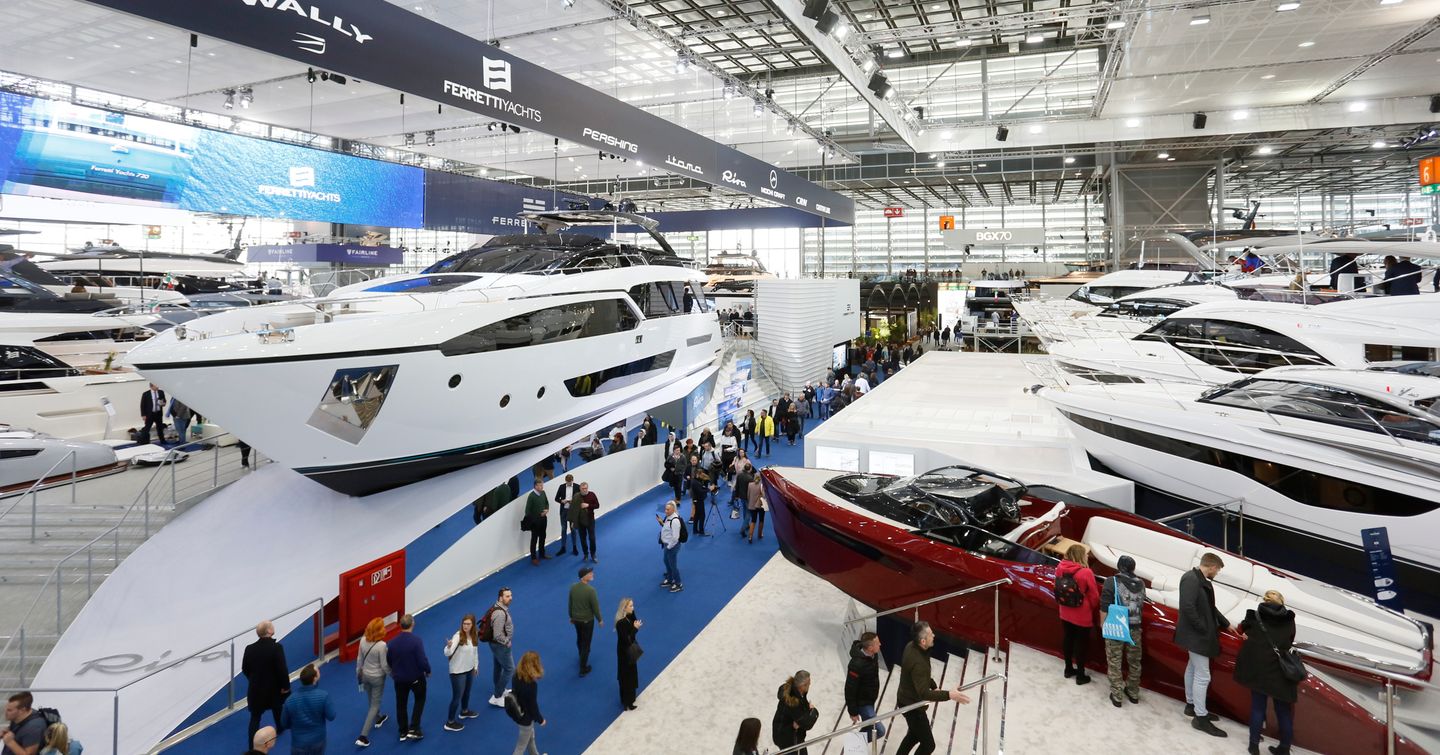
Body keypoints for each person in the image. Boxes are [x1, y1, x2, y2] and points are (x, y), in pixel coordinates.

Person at [1236, 591, 1299, 755]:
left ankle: (1254, 746)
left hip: (1259, 670)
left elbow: (1243, 630)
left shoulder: (1255, 616)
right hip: (1280, 671)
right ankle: (1284, 748)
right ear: (1282, 602)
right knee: (1283, 711)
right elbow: (1289, 640)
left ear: (1265, 600)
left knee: (1258, 708)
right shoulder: (1289, 620)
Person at [1176, 552, 1230, 738]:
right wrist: (1204, 628)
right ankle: (1200, 716)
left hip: (1196, 635)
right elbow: (1188, 607)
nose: (1217, 573)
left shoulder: (1199, 579)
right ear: (1212, 567)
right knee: (1203, 675)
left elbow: (1210, 607)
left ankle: (1191, 705)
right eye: (1218, 570)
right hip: (1197, 636)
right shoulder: (1191, 579)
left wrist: (1225, 623)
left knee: (1193, 668)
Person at [896, 622, 970, 755]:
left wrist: (934, 686)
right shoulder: (918, 662)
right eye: (931, 634)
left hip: (905, 699)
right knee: (928, 745)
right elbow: (924, 693)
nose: (934, 635)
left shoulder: (912, 646)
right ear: (923, 641)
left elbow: (919, 677)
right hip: (912, 706)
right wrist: (949, 695)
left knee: (913, 735)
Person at [1100, 554, 1146, 707]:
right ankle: (1133, 692)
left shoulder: (1111, 581)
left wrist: (1103, 625)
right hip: (1136, 628)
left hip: (1117, 627)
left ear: (1119, 567)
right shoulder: (1141, 584)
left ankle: (1117, 695)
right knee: (1134, 662)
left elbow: (1104, 606)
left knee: (1115, 661)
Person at [241, 620, 289, 749]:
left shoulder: (249, 648)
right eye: (271, 625)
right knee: (277, 708)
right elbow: (282, 670)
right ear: (269, 631)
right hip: (273, 690)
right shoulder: (277, 648)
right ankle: (279, 727)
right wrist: (286, 686)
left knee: (255, 718)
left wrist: (253, 680)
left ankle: (252, 746)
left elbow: (245, 668)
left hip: (255, 690)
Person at [1056, 543, 1099, 685]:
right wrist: (1091, 608)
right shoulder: (1086, 572)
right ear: (1080, 556)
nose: (1087, 556)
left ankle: (1068, 669)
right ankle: (1081, 675)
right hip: (1082, 614)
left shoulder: (1060, 567)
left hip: (1064, 610)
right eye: (1086, 554)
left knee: (1068, 638)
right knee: (1081, 644)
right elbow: (1094, 596)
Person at [388, 613, 431, 741]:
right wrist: (427, 670)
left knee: (401, 704)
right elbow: (422, 660)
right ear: (413, 624)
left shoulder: (392, 643)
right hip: (416, 678)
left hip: (399, 679)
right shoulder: (416, 641)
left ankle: (403, 731)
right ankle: (414, 728)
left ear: (401, 625)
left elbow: (389, 660)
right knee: (420, 699)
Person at [280, 664, 335, 755]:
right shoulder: (323, 696)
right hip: (318, 741)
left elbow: (284, 723)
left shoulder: (290, 700)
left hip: (298, 744)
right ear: (315, 678)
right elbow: (331, 716)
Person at [354, 617, 390, 747]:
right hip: (377, 678)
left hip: (365, 675)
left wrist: (358, 673)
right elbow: (384, 665)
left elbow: (359, 659)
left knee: (371, 700)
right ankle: (363, 736)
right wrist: (393, 675)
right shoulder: (382, 646)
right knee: (375, 704)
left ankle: (378, 717)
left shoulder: (363, 640)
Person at [443, 614, 480, 732]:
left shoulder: (474, 635)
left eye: (468, 624)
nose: (466, 626)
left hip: (469, 669)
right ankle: (450, 722)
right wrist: (448, 647)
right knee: (457, 697)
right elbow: (447, 653)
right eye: (464, 623)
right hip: (457, 671)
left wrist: (475, 666)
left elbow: (475, 652)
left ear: (473, 625)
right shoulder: (458, 636)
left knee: (467, 692)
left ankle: (464, 711)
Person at [845, 632, 885, 741]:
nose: (880, 644)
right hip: (863, 704)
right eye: (877, 643)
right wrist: (852, 711)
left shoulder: (873, 655)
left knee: (868, 727)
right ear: (870, 647)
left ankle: (856, 748)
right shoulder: (856, 665)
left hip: (870, 699)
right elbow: (850, 688)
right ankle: (853, 745)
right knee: (879, 730)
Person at [771, 671, 819, 754]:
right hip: (787, 738)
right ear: (802, 686)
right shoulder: (793, 703)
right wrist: (813, 711)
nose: (810, 684)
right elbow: (807, 723)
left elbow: (801, 718)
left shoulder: (796, 691)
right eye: (808, 683)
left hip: (787, 733)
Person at [569, 566, 604, 676]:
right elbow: (595, 607)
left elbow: (570, 604)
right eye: (590, 573)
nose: (592, 574)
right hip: (587, 621)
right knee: (586, 644)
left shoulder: (573, 587)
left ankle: (581, 656)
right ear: (584, 577)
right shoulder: (591, 591)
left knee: (579, 638)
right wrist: (600, 620)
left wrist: (571, 617)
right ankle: (583, 668)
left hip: (576, 620)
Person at [510, 651, 546, 755]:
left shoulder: (516, 675)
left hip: (518, 713)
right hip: (526, 719)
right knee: (520, 747)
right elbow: (532, 706)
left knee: (530, 739)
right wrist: (540, 719)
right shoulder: (531, 685)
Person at [486, 587, 516, 707]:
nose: (510, 598)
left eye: (510, 595)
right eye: (507, 596)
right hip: (501, 646)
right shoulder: (499, 613)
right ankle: (497, 696)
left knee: (498, 666)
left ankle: (500, 689)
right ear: (500, 598)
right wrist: (506, 641)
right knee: (509, 669)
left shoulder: (497, 607)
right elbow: (498, 634)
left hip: (496, 645)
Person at [615, 597, 642, 711]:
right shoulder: (620, 623)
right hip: (625, 652)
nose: (633, 607)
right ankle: (627, 701)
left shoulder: (628, 617)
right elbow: (627, 639)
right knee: (626, 675)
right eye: (631, 606)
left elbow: (634, 619)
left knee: (631, 673)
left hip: (629, 650)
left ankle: (630, 698)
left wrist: (631, 611)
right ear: (624, 608)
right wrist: (635, 629)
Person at [658, 501, 683, 593]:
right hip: (667, 545)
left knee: (673, 565)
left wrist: (669, 547)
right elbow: (667, 529)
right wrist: (662, 523)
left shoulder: (675, 521)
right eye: (665, 509)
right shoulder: (669, 518)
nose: (666, 511)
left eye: (668, 509)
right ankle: (670, 579)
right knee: (666, 562)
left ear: (673, 510)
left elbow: (675, 537)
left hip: (672, 546)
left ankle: (678, 584)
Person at [553, 473, 580, 556]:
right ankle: (563, 547)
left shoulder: (576, 486)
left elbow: (580, 499)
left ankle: (574, 547)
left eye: (571, 482)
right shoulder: (561, 487)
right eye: (568, 482)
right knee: (563, 529)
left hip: (573, 511)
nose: (570, 483)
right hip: (564, 511)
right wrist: (562, 501)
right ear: (565, 481)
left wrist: (574, 502)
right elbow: (556, 498)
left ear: (573, 480)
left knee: (573, 529)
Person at [524, 479, 549, 565]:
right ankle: (533, 557)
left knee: (543, 537)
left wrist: (546, 510)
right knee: (534, 539)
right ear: (535, 486)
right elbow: (527, 511)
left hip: (543, 519)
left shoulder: (543, 493)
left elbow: (546, 503)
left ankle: (542, 554)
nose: (542, 487)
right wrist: (537, 517)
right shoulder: (531, 496)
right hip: (535, 522)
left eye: (542, 485)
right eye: (540, 485)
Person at [574, 482, 599, 562]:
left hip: (590, 520)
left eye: (586, 488)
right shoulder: (576, 496)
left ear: (587, 488)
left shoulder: (592, 494)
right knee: (582, 539)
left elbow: (597, 505)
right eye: (583, 489)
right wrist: (573, 522)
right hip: (580, 521)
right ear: (580, 489)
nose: (584, 490)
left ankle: (593, 554)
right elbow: (574, 510)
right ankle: (585, 554)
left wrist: (588, 505)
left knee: (592, 538)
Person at [689, 463, 711, 536]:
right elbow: (700, 491)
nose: (701, 475)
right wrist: (708, 490)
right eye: (700, 474)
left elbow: (701, 488)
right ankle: (701, 531)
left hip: (697, 500)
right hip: (698, 500)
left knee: (697, 515)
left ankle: (695, 530)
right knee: (702, 515)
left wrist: (706, 487)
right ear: (697, 474)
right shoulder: (695, 482)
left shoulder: (696, 481)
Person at [746, 470, 766, 543]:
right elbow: (764, 496)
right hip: (760, 506)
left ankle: (750, 537)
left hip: (751, 505)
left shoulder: (750, 484)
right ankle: (760, 534)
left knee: (753, 521)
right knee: (761, 520)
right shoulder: (762, 486)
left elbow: (748, 496)